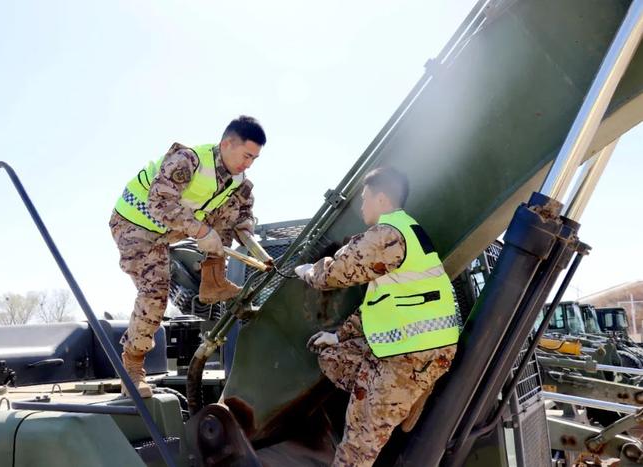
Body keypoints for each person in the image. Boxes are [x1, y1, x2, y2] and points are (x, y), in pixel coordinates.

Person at [295, 167, 459, 467]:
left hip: (411, 356)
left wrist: (307, 272)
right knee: (332, 356)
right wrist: (339, 335)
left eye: (364, 198)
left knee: (356, 448)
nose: (361, 206)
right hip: (414, 349)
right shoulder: (407, 231)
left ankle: (395, 397)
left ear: (381, 199)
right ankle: (399, 396)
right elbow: (380, 303)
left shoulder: (388, 233)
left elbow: (336, 272)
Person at [110, 115, 266, 397]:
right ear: (227, 143)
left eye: (254, 158)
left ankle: (213, 280)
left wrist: (248, 236)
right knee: (155, 292)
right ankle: (132, 368)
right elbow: (158, 203)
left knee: (230, 210)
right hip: (136, 225)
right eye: (246, 155)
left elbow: (242, 215)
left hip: (170, 231)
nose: (248, 163)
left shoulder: (239, 181)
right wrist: (202, 232)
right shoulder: (189, 160)